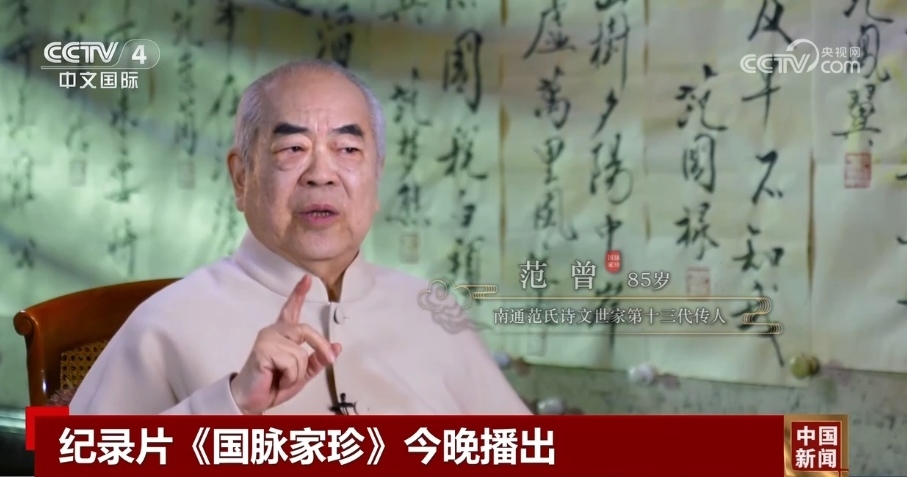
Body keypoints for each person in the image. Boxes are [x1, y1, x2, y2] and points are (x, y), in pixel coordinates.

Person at [69, 60, 530, 415]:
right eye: (293, 149)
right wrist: (231, 404)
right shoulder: (166, 323)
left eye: (348, 149)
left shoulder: (430, 312)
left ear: (377, 176)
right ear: (241, 178)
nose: (321, 174)